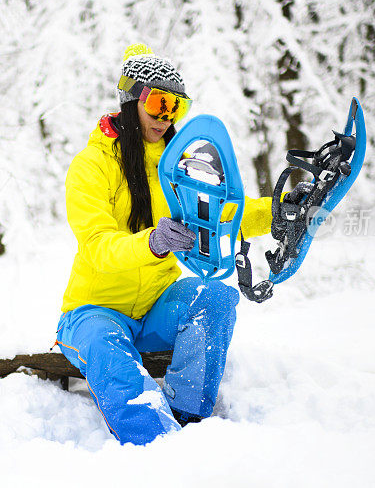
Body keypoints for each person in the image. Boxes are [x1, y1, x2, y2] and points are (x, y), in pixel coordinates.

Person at [54, 44, 277, 445]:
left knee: (216, 299)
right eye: (158, 102)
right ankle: (157, 445)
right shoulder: (92, 165)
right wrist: (152, 243)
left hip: (157, 305)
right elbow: (97, 246)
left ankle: (187, 418)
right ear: (131, 100)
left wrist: (279, 213)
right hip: (94, 311)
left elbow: (225, 212)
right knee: (108, 350)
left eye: (176, 106)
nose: (165, 116)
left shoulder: (176, 167)